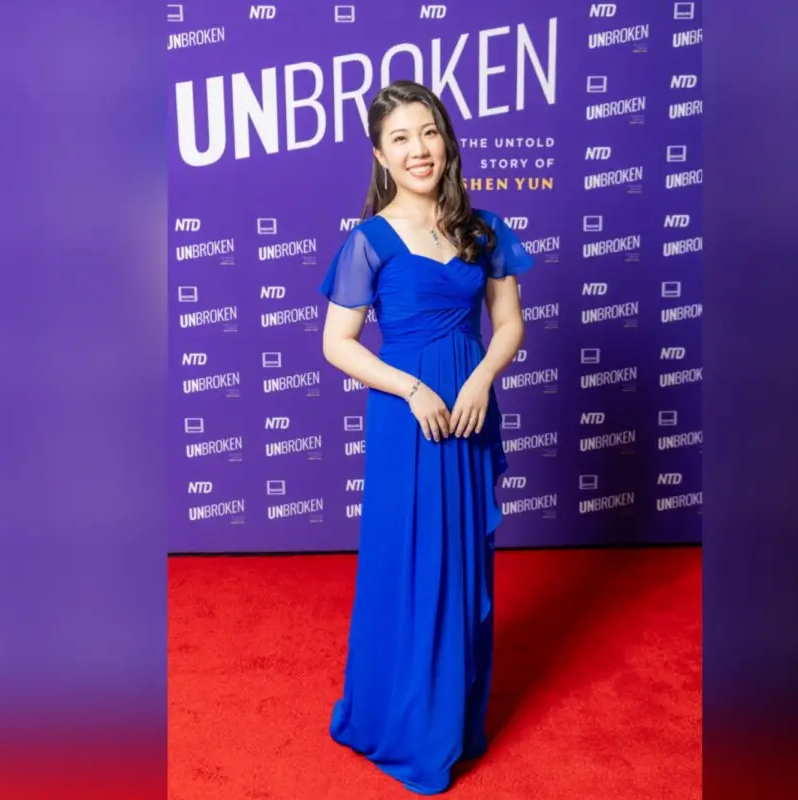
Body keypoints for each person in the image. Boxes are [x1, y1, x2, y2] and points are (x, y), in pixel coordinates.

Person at [318, 79, 533, 794]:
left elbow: (509, 325)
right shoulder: (368, 240)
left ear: (447, 140)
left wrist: (479, 383)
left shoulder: (484, 229)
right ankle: (403, 723)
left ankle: (453, 720)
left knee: (464, 570)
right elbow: (338, 344)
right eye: (401, 138)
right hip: (408, 422)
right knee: (408, 564)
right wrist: (410, 388)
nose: (419, 149)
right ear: (380, 154)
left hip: (468, 415)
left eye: (428, 132)